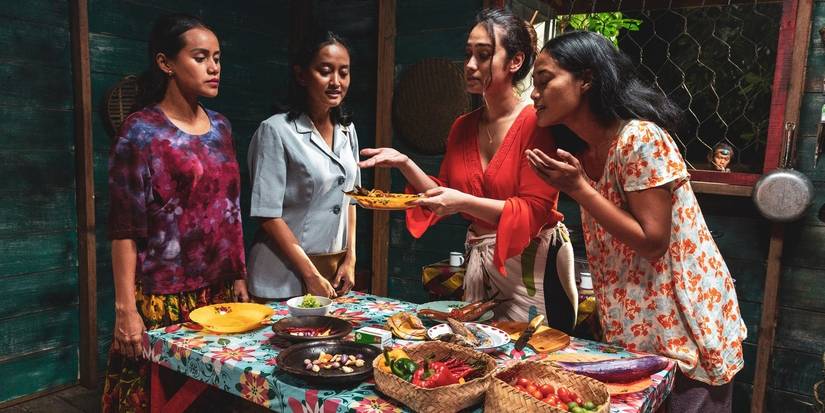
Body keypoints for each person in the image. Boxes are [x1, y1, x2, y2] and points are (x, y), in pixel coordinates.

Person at [526, 30, 746, 412]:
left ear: (586, 79)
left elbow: (652, 240)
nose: (534, 94)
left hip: (682, 323)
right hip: (639, 325)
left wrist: (578, 188)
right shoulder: (586, 151)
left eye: (545, 80)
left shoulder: (639, 137)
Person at [360, 9, 577, 331]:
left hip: (533, 265)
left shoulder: (537, 122)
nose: (471, 65)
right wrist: (405, 163)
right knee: (480, 357)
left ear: (515, 61)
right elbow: (443, 191)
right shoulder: (463, 126)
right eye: (468, 54)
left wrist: (461, 201)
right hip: (483, 265)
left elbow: (533, 210)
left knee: (530, 364)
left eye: (484, 55)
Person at [102, 14, 248, 412]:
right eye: (200, 57)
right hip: (163, 297)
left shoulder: (221, 127)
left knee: (215, 402)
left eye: (217, 58)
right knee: (157, 400)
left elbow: (229, 210)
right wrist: (125, 309)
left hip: (217, 294)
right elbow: (124, 229)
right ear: (166, 63)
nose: (214, 67)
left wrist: (237, 274)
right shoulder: (141, 131)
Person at [246, 31, 359, 301]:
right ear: (301, 75)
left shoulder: (347, 130)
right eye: (325, 71)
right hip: (281, 277)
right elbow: (268, 215)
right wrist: (310, 274)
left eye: (343, 73)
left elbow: (352, 199)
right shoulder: (275, 130)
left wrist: (350, 259)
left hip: (331, 275)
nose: (336, 82)